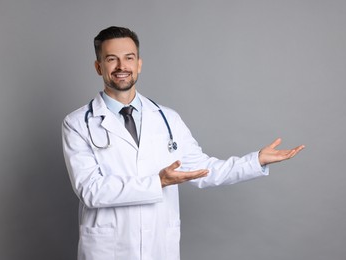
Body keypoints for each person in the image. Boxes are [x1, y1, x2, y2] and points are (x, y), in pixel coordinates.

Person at [62, 26, 304, 260]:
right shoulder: (77, 123)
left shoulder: (167, 118)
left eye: (129, 58)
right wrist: (158, 182)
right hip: (109, 250)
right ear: (98, 66)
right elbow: (91, 190)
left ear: (139, 64)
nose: (122, 66)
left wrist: (255, 161)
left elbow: (202, 171)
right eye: (111, 59)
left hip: (159, 246)